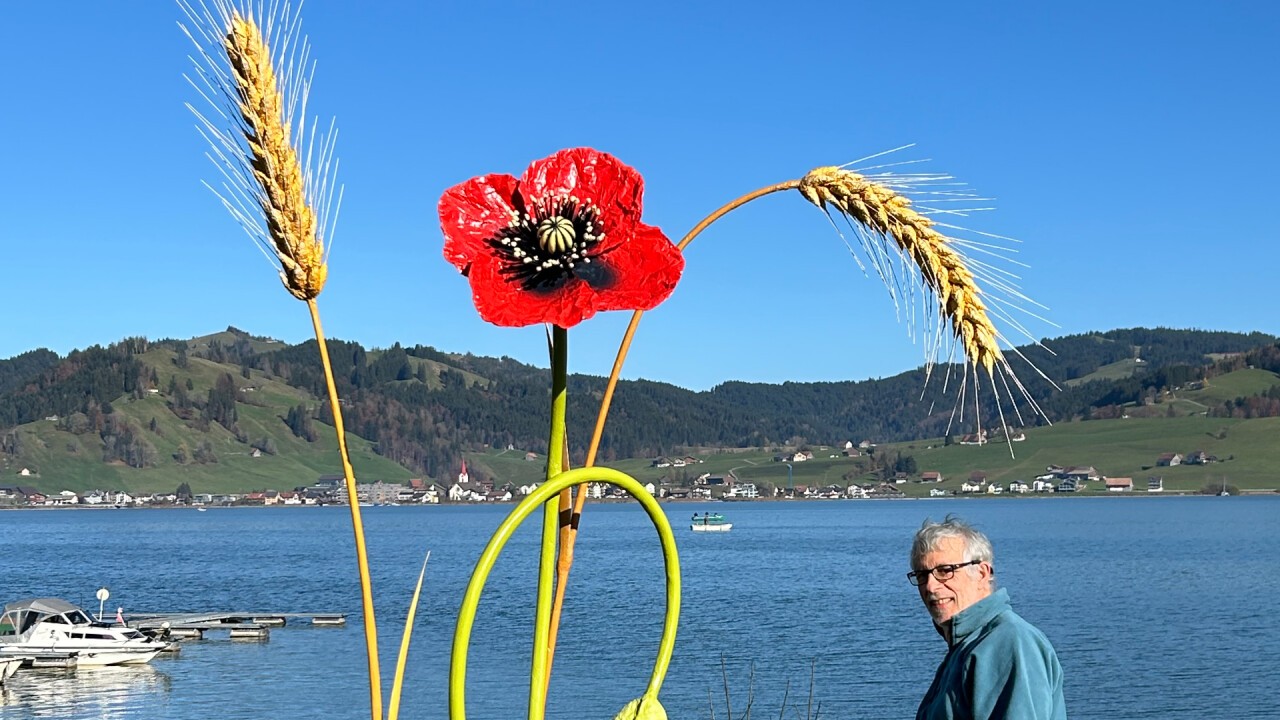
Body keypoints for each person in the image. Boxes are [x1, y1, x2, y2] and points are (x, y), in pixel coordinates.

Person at [909, 516, 1066, 719]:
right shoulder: (967, 646)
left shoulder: (1008, 642)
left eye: (945, 571)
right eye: (922, 575)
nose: (931, 586)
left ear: (982, 573)